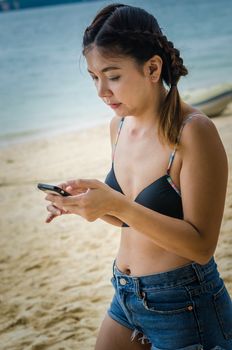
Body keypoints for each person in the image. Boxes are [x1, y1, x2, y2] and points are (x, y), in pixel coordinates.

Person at [44, 3, 232, 350]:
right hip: (126, 297)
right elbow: (132, 218)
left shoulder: (193, 133)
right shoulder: (119, 125)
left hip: (185, 305)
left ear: (152, 67)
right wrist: (88, 204)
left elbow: (202, 246)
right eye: (93, 77)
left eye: (112, 76)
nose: (101, 91)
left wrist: (118, 204)